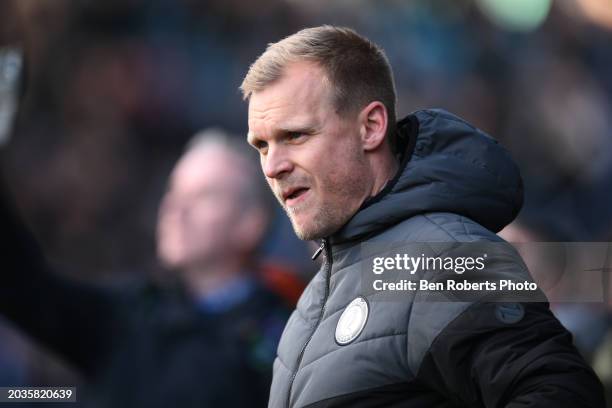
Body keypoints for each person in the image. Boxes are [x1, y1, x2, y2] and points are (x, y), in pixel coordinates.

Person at [240, 26, 605, 407]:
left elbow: (564, 394)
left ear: (371, 128)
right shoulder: (314, 299)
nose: (273, 166)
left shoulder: (445, 254)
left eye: (295, 136)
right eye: (262, 146)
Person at [1, 129, 294, 407]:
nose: (175, 207)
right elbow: (25, 289)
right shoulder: (130, 313)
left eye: (204, 195)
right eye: (173, 190)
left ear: (250, 224)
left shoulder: (286, 343)